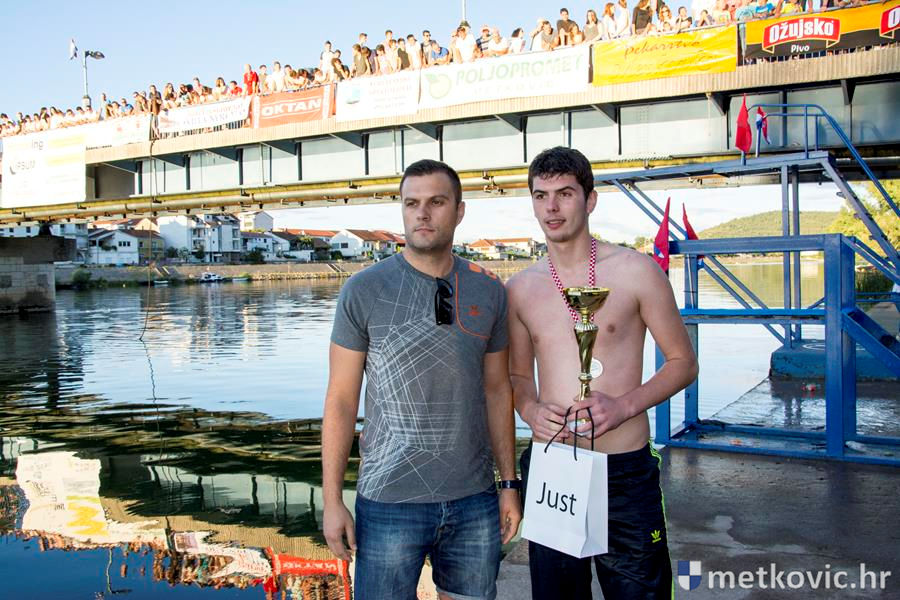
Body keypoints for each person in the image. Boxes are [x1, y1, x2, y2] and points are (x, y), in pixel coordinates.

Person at [322, 159, 522, 600]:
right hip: (388, 500)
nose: (422, 213)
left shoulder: (489, 290)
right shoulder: (364, 290)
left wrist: (508, 485)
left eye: (436, 202)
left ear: (460, 211)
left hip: (474, 500)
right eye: (411, 203)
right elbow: (341, 400)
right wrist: (332, 500)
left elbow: (497, 390)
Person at [507, 147, 698, 600]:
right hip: (554, 468)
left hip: (624, 469)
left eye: (565, 194)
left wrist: (623, 406)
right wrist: (530, 410)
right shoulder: (519, 289)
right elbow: (517, 378)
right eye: (541, 196)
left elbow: (683, 362)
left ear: (590, 200)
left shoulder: (636, 271)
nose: (552, 207)